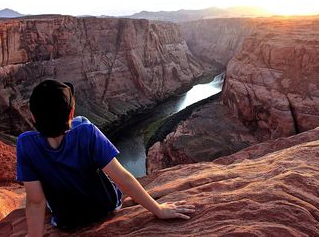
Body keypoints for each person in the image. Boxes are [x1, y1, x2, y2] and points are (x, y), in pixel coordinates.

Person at [16, 79, 195, 236]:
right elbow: (123, 178)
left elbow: (35, 200)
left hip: (67, 221)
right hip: (105, 207)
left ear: (32, 116)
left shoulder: (25, 143)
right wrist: (158, 210)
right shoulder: (86, 131)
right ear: (71, 113)